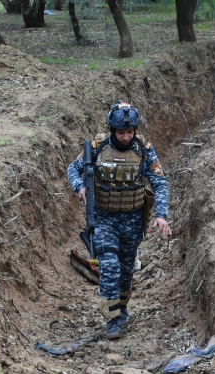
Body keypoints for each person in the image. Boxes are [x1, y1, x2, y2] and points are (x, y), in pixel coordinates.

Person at [67, 101, 171, 339]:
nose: (126, 137)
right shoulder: (96, 147)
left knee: (125, 270)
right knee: (110, 265)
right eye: (121, 132)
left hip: (133, 220)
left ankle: (122, 309)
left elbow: (159, 182)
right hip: (105, 219)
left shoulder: (143, 149)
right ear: (112, 130)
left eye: (130, 132)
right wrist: (80, 187)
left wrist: (161, 215)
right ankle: (112, 320)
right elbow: (73, 169)